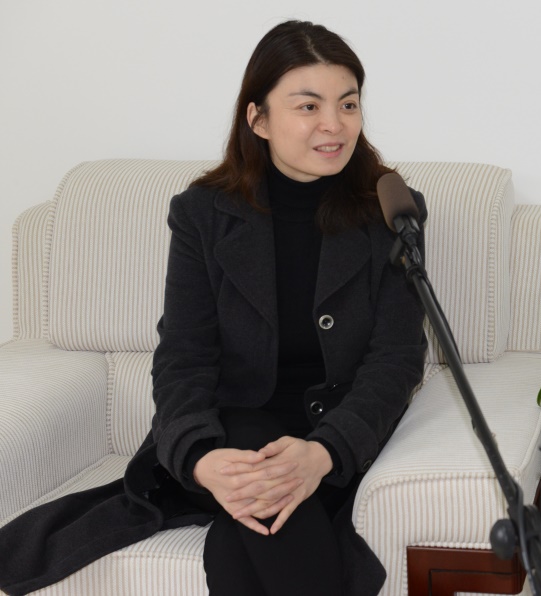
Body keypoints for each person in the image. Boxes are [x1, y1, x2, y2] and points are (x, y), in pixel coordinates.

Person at [0, 20, 426, 596]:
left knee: (244, 535)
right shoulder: (203, 214)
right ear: (258, 119)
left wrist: (325, 453)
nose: (335, 124)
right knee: (257, 472)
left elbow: (397, 357)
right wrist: (200, 459)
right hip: (229, 428)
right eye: (309, 105)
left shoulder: (390, 209)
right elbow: (184, 354)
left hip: (334, 431)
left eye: (348, 104)